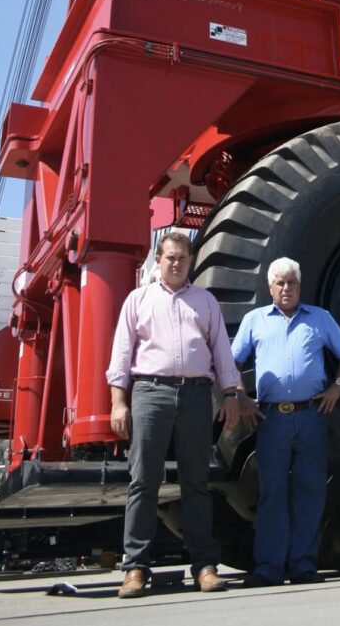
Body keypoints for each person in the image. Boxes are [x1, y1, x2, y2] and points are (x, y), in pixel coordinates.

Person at [106, 231, 241, 598]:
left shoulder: (206, 301)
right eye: (170, 257)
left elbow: (222, 352)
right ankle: (135, 568)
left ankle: (205, 567)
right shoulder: (138, 300)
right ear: (159, 260)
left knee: (196, 482)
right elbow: (121, 353)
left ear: (191, 260)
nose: (177, 263)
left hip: (197, 395)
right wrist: (119, 402)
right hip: (150, 393)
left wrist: (231, 394)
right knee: (143, 481)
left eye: (183, 257)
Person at [232, 257, 340, 587]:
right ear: (270, 287)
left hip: (312, 416)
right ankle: (268, 568)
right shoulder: (255, 321)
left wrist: (337, 386)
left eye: (292, 282)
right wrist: (241, 397)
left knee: (310, 491)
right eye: (280, 283)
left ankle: (303, 566)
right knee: (272, 493)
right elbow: (231, 362)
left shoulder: (320, 318)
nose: (286, 288)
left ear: (300, 286)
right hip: (271, 419)